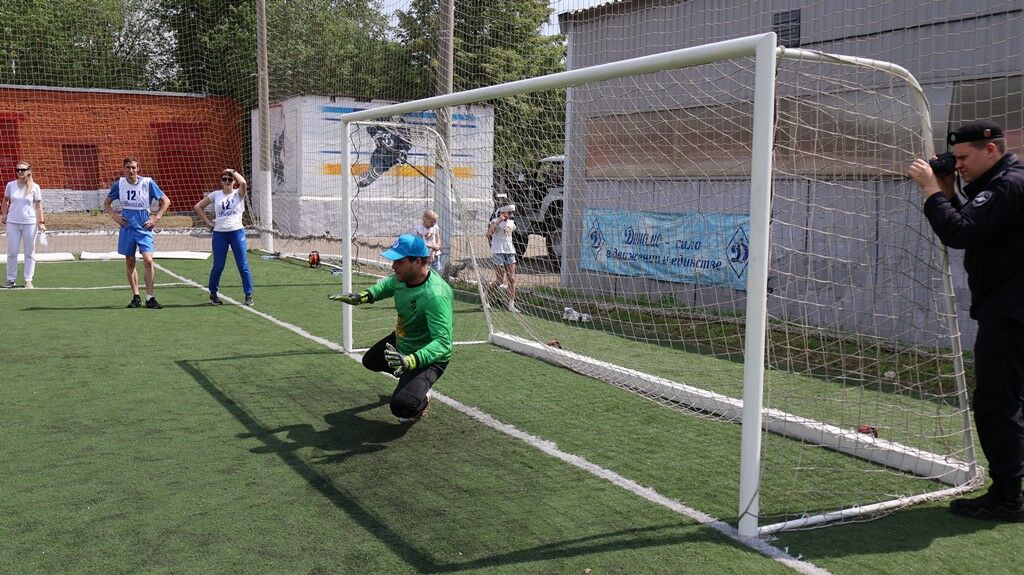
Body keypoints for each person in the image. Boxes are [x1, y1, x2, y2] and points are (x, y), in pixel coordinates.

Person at [908, 120, 1024, 522]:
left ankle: (1008, 498)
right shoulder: (1005, 183)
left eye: (963, 157)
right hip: (1009, 307)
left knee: (997, 404)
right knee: (1011, 400)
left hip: (1010, 311)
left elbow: (959, 232)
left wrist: (930, 190)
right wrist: (948, 192)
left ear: (991, 150)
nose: (957, 165)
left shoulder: (1007, 185)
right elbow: (979, 227)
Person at [328, 234, 453, 423]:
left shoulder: (436, 295)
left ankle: (423, 398)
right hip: (402, 341)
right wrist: (362, 297)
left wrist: (410, 361)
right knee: (371, 360)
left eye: (399, 262)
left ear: (418, 262)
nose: (394, 266)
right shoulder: (401, 278)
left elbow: (443, 343)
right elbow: (385, 287)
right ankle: (408, 378)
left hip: (429, 358)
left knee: (402, 408)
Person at [104, 157, 171, 309]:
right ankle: (136, 296)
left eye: (133, 167)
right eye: (128, 167)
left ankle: (150, 297)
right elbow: (107, 203)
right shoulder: (119, 184)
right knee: (130, 260)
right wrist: (115, 216)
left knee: (148, 260)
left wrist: (156, 218)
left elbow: (166, 201)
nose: (131, 170)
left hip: (144, 227)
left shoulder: (148, 183)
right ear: (124, 169)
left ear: (138, 168)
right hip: (127, 227)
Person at [194, 168, 254, 306]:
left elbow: (243, 183)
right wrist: (208, 222)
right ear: (221, 181)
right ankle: (213, 293)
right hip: (220, 233)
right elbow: (198, 207)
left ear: (233, 181)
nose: (227, 182)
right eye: (224, 179)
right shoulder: (216, 195)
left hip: (236, 232)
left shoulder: (238, 193)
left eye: (230, 179)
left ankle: (248, 294)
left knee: (243, 265)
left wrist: (232, 171)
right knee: (218, 265)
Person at [2, 161, 45, 289]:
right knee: (12, 252)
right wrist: (4, 215)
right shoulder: (10, 185)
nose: (20, 172)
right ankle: (10, 280)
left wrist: (41, 222)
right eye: (18, 170)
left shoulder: (35, 187)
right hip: (13, 223)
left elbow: (39, 205)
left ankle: (28, 280)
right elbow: (5, 200)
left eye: (23, 170)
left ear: (29, 171)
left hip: (29, 223)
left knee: (29, 253)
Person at [487, 204, 518, 312]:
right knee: (499, 280)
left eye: (511, 213)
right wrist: (499, 220)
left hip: (510, 252)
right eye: (509, 213)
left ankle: (511, 305)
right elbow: (489, 233)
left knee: (512, 279)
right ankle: (486, 297)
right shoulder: (495, 221)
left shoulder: (512, 223)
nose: (511, 215)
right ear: (502, 212)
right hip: (498, 252)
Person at [415, 208, 443, 273]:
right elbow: (420, 244)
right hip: (424, 255)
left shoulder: (435, 228)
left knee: (437, 272)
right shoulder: (420, 229)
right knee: (424, 272)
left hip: (435, 255)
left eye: (435, 221)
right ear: (425, 220)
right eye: (432, 222)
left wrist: (433, 252)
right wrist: (433, 246)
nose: (434, 223)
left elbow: (438, 244)